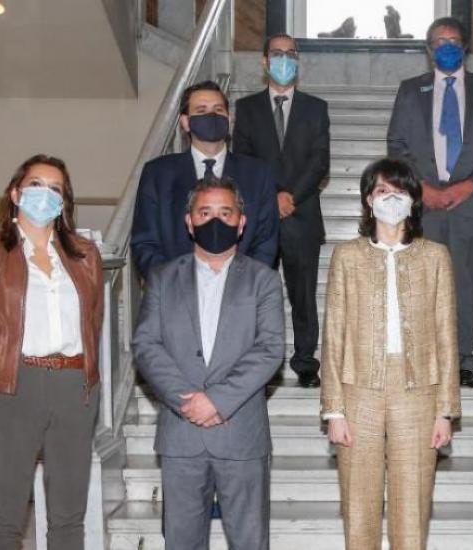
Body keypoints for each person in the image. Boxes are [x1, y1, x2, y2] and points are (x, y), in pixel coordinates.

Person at [0, 154, 104, 550]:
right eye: (36, 185)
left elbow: (93, 322)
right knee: (5, 515)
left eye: (55, 189)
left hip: (74, 386)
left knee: (69, 514)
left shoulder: (86, 255)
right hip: (12, 387)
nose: (45, 194)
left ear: (64, 202)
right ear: (16, 194)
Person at [132, 177, 284, 550]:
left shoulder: (263, 280)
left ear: (241, 223)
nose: (215, 220)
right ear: (189, 221)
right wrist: (188, 401)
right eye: (205, 212)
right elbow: (146, 344)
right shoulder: (162, 278)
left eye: (225, 213)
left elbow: (270, 348)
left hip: (241, 434)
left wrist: (216, 400)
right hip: (181, 434)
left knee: (250, 542)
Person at [320, 158, 461, 550]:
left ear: (413, 200)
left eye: (400, 191)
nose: (391, 198)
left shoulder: (435, 256)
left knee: (412, 506)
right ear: (369, 200)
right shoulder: (346, 256)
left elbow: (447, 335)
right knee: (358, 505)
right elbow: (333, 334)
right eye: (382, 190)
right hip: (357, 390)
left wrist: (445, 410)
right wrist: (333, 409)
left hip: (419, 392)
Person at [387, 16, 473, 388]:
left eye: (454, 40)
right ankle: (423, 361)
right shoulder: (411, 91)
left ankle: (462, 361)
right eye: (440, 42)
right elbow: (396, 145)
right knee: (420, 284)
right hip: (423, 204)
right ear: (429, 50)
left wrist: (470, 185)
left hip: (469, 206)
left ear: (466, 47)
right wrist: (421, 188)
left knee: (465, 286)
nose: (447, 47)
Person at [232, 33, 330, 389]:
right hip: (260, 218)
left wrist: (291, 197)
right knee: (257, 296)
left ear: (297, 61)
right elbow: (241, 161)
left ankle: (306, 363)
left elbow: (320, 162)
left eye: (291, 53)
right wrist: (272, 197)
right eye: (277, 53)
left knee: (303, 297)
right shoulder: (246, 109)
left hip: (302, 217)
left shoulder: (316, 108)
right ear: (264, 61)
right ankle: (260, 365)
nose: (284, 59)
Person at [131, 80, 279, 275]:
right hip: (175, 289)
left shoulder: (258, 174)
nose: (212, 116)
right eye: (201, 110)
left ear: (229, 118)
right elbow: (145, 242)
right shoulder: (157, 174)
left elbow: (266, 242)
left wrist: (241, 284)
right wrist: (172, 283)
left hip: (242, 289)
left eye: (218, 110)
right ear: (185, 122)